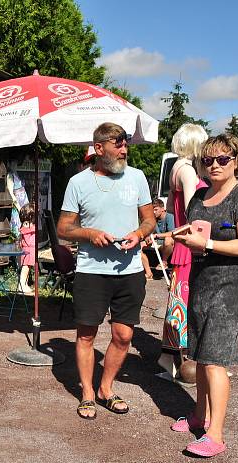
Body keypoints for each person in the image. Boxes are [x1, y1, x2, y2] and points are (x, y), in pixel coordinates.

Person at [171, 133, 238, 457]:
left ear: (236, 161)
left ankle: (216, 434)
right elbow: (194, 234)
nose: (214, 165)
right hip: (201, 282)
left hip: (231, 288)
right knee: (199, 354)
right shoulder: (199, 197)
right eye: (207, 160)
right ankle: (199, 416)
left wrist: (206, 245)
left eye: (222, 159)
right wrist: (176, 237)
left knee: (215, 361)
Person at [56, 122, 155, 420]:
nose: (124, 149)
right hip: (91, 271)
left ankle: (105, 389)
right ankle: (87, 392)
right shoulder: (78, 182)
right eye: (118, 143)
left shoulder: (137, 178)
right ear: (99, 148)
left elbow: (149, 220)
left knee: (123, 335)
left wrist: (139, 233)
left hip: (130, 270)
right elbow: (63, 228)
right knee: (86, 335)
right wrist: (88, 234)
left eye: (125, 143)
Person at [162, 123, 208, 356]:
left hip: (182, 241)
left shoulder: (175, 168)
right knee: (188, 301)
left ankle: (169, 357)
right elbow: (194, 210)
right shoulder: (188, 171)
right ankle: (186, 357)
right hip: (191, 242)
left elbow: (171, 207)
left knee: (178, 299)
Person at [140, 198, 175, 279]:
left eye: (156, 209)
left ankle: (164, 262)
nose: (154, 212)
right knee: (138, 247)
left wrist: (156, 236)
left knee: (168, 239)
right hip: (155, 242)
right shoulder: (153, 219)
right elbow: (149, 232)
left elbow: (172, 233)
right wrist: (147, 237)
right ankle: (149, 273)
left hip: (166, 244)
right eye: (153, 210)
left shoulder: (169, 217)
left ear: (163, 209)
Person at [18, 203, 36, 294]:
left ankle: (24, 284)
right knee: (26, 268)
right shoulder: (28, 226)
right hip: (28, 249)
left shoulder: (26, 225)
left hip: (28, 249)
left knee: (27, 268)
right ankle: (21, 285)